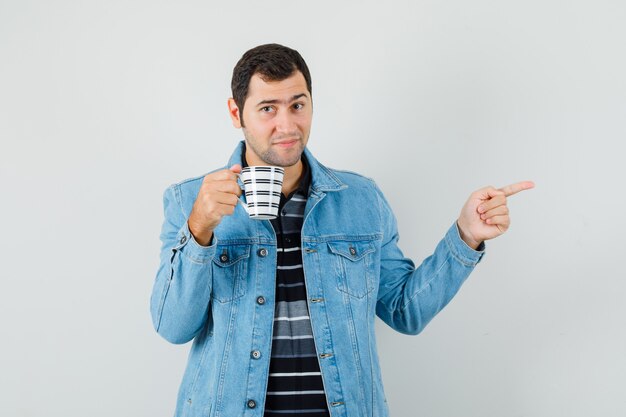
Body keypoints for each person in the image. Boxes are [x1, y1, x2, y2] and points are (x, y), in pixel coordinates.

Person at [150, 43, 534, 417]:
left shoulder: (361, 199)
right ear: (237, 113)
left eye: (297, 105)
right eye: (268, 108)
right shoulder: (190, 201)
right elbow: (173, 327)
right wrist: (199, 228)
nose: (287, 125)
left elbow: (405, 310)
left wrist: (466, 236)